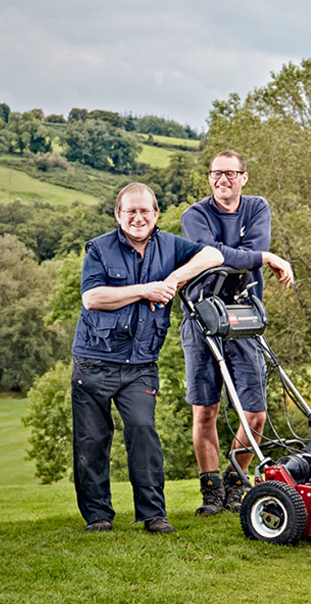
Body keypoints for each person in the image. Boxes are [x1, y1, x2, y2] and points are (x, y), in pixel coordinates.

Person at [71, 182, 224, 534]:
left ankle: (153, 514)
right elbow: (92, 298)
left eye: (145, 211)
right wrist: (145, 290)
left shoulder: (170, 245)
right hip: (93, 361)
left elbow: (213, 256)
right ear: (118, 215)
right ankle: (98, 516)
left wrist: (172, 280)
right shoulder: (99, 249)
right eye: (130, 211)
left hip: (140, 365)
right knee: (92, 441)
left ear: (156, 214)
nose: (138, 218)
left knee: (143, 432)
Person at [178, 150, 296, 516]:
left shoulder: (257, 207)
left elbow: (241, 252)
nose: (223, 180)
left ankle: (235, 481)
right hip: (201, 317)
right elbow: (212, 255)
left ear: (244, 177)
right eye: (216, 173)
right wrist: (263, 259)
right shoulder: (194, 215)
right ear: (209, 178)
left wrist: (249, 255)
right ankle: (211, 490)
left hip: (244, 316)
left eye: (230, 173)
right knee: (205, 411)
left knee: (254, 414)